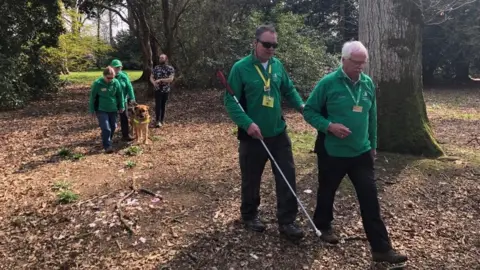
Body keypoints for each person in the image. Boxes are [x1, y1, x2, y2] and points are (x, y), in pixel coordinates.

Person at [303, 40, 408, 263]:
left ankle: (381, 249)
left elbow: (372, 117)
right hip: (332, 152)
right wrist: (329, 126)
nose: (360, 67)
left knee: (370, 200)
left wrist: (373, 145)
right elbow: (309, 111)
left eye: (363, 63)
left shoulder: (368, 84)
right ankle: (323, 225)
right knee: (327, 191)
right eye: (356, 62)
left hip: (361, 153)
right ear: (343, 60)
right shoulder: (328, 83)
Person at [224, 24, 306, 241]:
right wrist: (247, 124)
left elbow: (289, 89)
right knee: (251, 179)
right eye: (267, 44)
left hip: (278, 133)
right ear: (255, 43)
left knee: (287, 176)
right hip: (253, 137)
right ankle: (249, 215)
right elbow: (230, 102)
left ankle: (287, 221)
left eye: (274, 45)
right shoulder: (241, 68)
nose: (271, 49)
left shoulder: (277, 66)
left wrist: (301, 106)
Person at [88, 66, 125, 153]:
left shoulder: (115, 82)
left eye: (112, 77)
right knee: (106, 128)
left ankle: (107, 139)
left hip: (113, 108)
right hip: (101, 109)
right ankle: (107, 146)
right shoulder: (97, 83)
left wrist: (121, 106)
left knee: (113, 126)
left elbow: (120, 95)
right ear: (104, 75)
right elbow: (92, 97)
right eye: (108, 78)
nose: (110, 79)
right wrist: (92, 110)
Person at [110, 59, 136, 141]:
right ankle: (108, 137)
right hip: (112, 100)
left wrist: (132, 98)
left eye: (119, 67)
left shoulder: (124, 76)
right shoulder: (108, 76)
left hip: (123, 100)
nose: (117, 69)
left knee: (124, 117)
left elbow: (129, 87)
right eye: (116, 67)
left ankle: (125, 135)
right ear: (111, 67)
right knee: (112, 119)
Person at [150, 54, 175, 127]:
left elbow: (171, 79)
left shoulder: (170, 68)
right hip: (157, 89)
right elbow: (151, 77)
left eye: (162, 58)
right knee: (158, 105)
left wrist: (161, 80)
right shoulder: (156, 68)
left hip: (166, 90)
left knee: (163, 105)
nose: (160, 59)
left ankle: (162, 120)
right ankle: (157, 121)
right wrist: (154, 83)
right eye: (160, 58)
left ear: (166, 59)